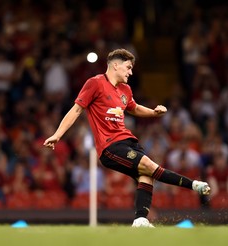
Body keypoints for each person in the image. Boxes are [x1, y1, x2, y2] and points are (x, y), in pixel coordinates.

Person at [43, 48, 210, 227]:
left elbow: (134, 108)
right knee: (149, 166)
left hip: (129, 141)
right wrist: (57, 135)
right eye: (128, 67)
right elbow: (76, 110)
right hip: (110, 146)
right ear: (116, 65)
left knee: (146, 176)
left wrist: (153, 112)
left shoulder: (125, 90)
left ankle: (140, 220)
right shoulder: (95, 83)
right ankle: (193, 185)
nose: (131, 72)